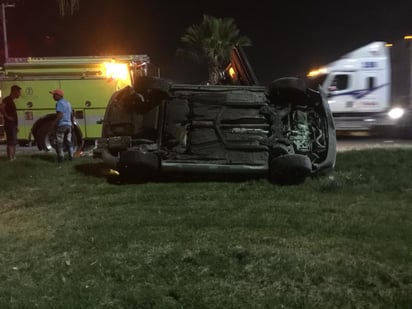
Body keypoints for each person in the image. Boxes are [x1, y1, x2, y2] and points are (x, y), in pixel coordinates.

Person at [50, 89, 74, 163]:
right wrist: (72, 123)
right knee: (68, 141)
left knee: (59, 142)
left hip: (62, 125)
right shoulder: (68, 103)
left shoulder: (59, 103)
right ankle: (71, 157)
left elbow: (60, 115)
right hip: (69, 125)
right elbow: (72, 113)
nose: (53, 96)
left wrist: (53, 124)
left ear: (58, 95)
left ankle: (61, 158)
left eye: (54, 95)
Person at [1, 85, 21, 161]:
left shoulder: (11, 100)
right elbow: (1, 107)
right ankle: (10, 158)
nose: (19, 94)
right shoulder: (7, 99)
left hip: (13, 124)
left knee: (14, 142)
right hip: (9, 124)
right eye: (19, 92)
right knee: (11, 142)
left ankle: (13, 157)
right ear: (14, 91)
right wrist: (7, 116)